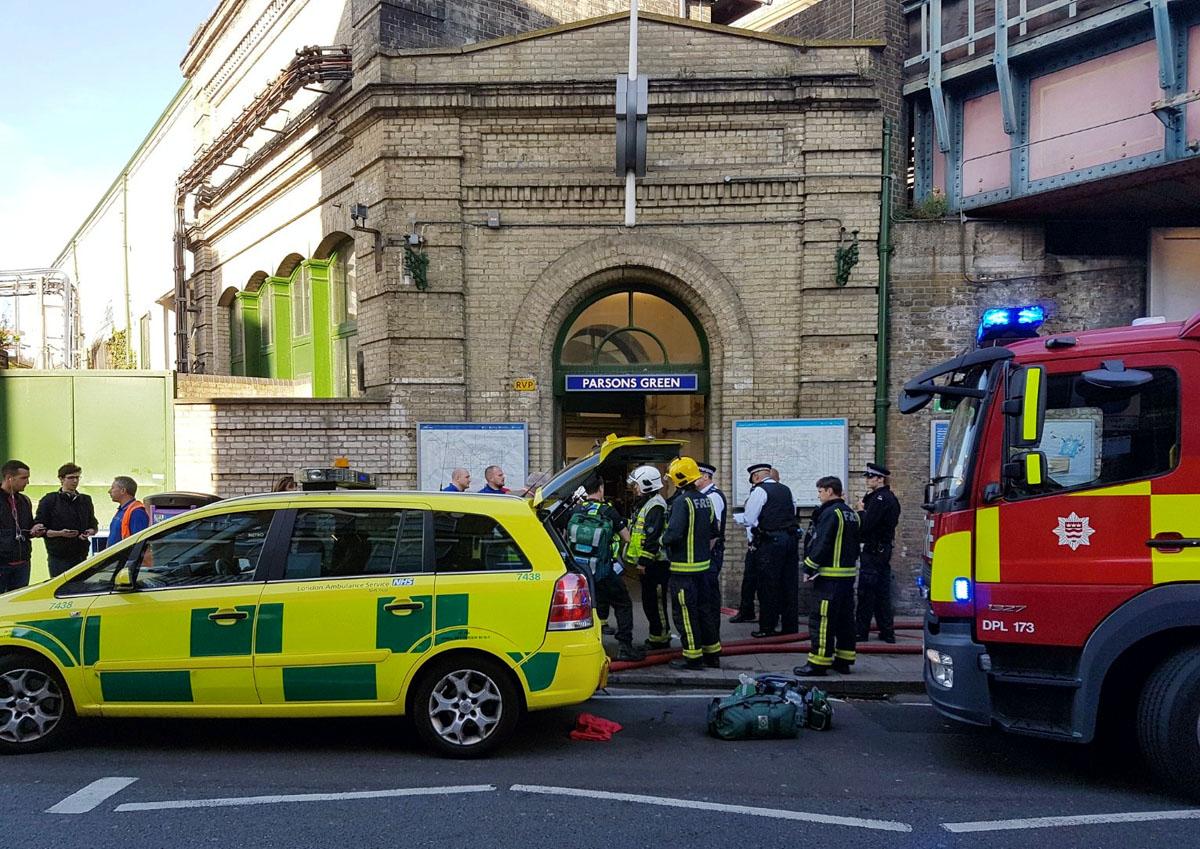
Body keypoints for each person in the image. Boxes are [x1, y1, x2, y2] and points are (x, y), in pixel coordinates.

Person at [566, 474, 644, 661]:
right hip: (603, 570)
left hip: (581, 571)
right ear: (601, 489)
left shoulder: (576, 509)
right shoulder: (608, 512)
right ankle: (625, 646)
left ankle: (594, 646)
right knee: (623, 603)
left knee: (591, 604)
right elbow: (627, 538)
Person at [794, 476, 861, 676]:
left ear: (830, 491)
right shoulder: (851, 514)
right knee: (845, 620)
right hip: (847, 576)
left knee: (822, 620)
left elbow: (822, 542)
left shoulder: (831, 513)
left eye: (821, 491)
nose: (819, 495)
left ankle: (818, 662)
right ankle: (844, 660)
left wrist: (808, 567)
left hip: (830, 578)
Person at [662, 457, 720, 670]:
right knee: (705, 611)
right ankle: (713, 654)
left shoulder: (681, 502)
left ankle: (693, 658)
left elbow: (673, 534)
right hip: (703, 569)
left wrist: (662, 540)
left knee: (685, 614)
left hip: (683, 571)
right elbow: (715, 531)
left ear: (679, 479)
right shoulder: (706, 501)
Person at [740, 463, 799, 638]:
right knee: (788, 585)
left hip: (770, 543)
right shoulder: (786, 490)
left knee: (768, 585)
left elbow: (749, 519)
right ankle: (790, 626)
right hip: (789, 541)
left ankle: (767, 627)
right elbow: (792, 512)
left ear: (756, 477)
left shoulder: (759, 490)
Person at [624, 464, 671, 650]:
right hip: (650, 563)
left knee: (656, 603)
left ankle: (661, 638)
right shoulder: (647, 503)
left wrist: (643, 561)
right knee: (649, 602)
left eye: (636, 485)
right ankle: (655, 635)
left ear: (646, 484)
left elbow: (652, 537)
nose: (634, 488)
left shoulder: (656, 506)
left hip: (655, 564)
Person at [857, 462, 901, 644]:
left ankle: (861, 632)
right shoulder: (884, 497)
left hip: (874, 550)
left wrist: (860, 511)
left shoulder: (880, 499)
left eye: (870, 477)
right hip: (882, 550)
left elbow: (867, 524)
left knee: (867, 592)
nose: (868, 480)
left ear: (880, 479)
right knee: (882, 592)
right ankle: (887, 631)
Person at [34, 463, 98, 577]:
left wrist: (90, 531)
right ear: (61, 479)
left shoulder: (85, 500)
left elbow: (93, 523)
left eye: (77, 477)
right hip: (58, 556)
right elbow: (40, 528)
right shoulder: (49, 500)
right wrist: (60, 533)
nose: (75, 481)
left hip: (80, 554)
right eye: (71, 478)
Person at [696, 461, 727, 660]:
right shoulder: (704, 496)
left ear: (706, 477)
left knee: (708, 600)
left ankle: (711, 643)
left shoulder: (713, 497)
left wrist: (703, 553)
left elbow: (713, 531)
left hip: (710, 556)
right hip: (707, 555)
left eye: (696, 475)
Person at [0, 460, 40, 592]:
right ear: (9, 478)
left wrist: (34, 530)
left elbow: (28, 526)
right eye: (23, 478)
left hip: (22, 562)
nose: (27, 482)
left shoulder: (24, 500)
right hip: (3, 563)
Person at [108, 476, 150, 543]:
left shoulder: (137, 513)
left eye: (113, 488)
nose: (109, 491)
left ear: (123, 491)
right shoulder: (122, 510)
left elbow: (139, 543)